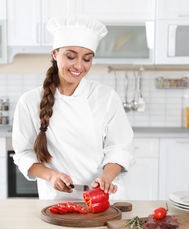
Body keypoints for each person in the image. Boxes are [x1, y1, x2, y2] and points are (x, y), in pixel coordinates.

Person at [12, 14, 134, 200]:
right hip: (57, 200)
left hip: (105, 199)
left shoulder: (106, 97)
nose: (79, 66)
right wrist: (51, 176)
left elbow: (120, 147)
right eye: (71, 56)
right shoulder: (29, 101)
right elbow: (23, 154)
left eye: (87, 59)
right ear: (55, 54)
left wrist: (106, 178)